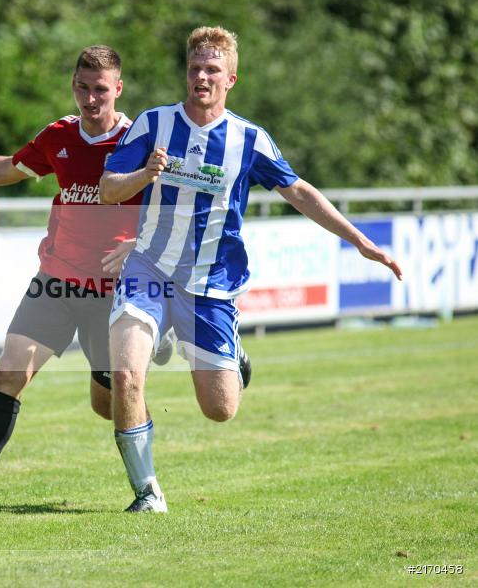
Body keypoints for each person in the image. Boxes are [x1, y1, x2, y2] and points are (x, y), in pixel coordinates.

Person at [99, 26, 403, 513]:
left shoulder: (249, 139)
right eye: (195, 67)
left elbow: (299, 191)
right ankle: (146, 492)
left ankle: (231, 355)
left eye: (212, 70)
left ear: (230, 79)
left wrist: (361, 241)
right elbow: (108, 188)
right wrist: (143, 175)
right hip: (148, 269)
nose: (201, 76)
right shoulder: (154, 125)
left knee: (220, 409)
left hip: (210, 284)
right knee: (126, 374)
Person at [0, 46, 174, 510]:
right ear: (73, 86)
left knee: (108, 400)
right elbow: (8, 168)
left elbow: (175, 210)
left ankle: (147, 485)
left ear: (119, 90)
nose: (91, 100)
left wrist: (138, 247)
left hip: (113, 294)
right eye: (83, 88)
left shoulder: (141, 141)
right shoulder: (59, 136)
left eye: (101, 90)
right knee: (11, 368)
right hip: (57, 280)